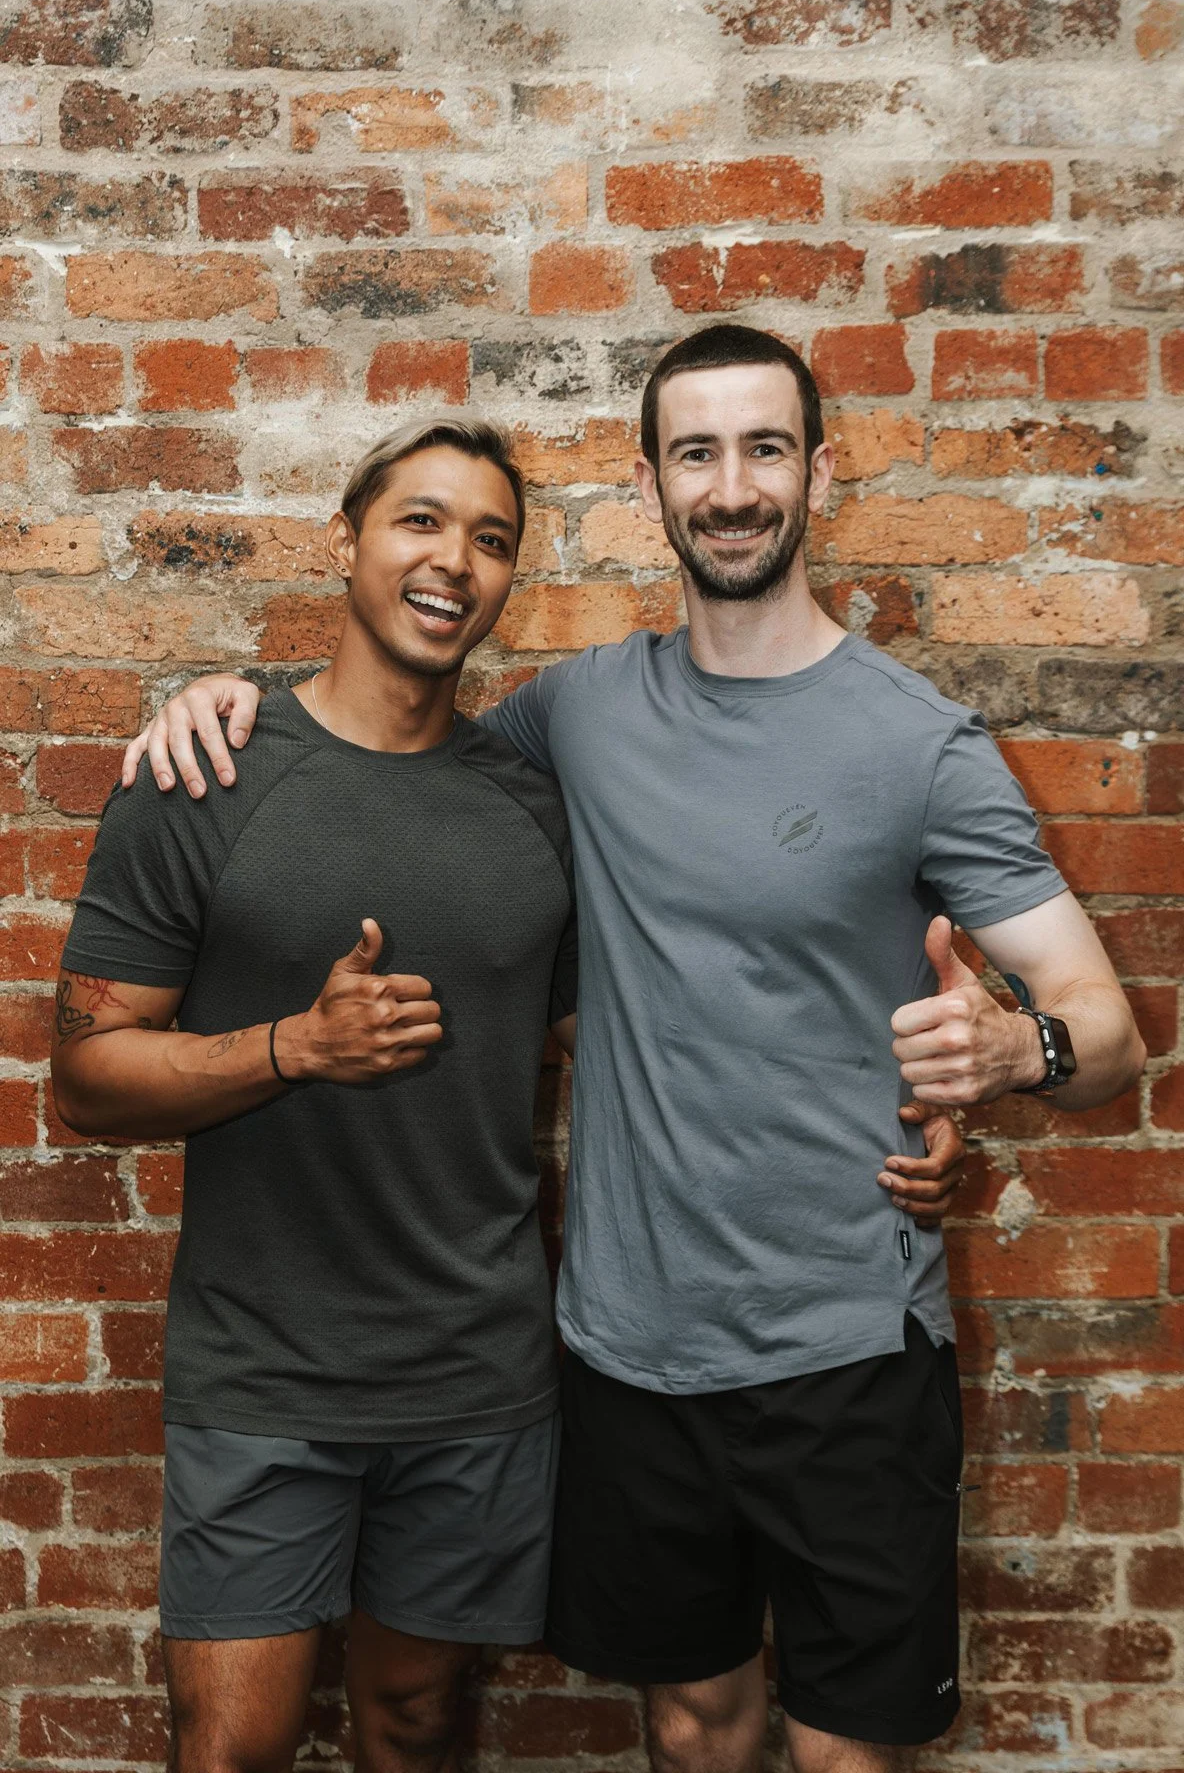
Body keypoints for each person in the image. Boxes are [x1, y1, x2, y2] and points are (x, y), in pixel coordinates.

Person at [121, 325, 1126, 1773]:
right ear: (650, 480)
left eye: (766, 448)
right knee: (692, 1727)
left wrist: (1013, 1053)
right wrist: (231, 707)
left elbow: (1108, 1033)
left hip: (847, 1350)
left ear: (818, 472)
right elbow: (393, 738)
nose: (732, 486)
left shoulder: (922, 744)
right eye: (698, 452)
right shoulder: (576, 717)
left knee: (850, 1755)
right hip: (629, 1355)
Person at [51, 420, 585, 1773]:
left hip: (473, 1370)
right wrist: (293, 1045)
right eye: (419, 521)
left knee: (415, 1725)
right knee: (231, 1746)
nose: (452, 561)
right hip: (263, 1367)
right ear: (346, 542)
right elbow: (90, 1080)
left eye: (490, 537)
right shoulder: (203, 775)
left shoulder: (536, 808)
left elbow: (643, 1036)